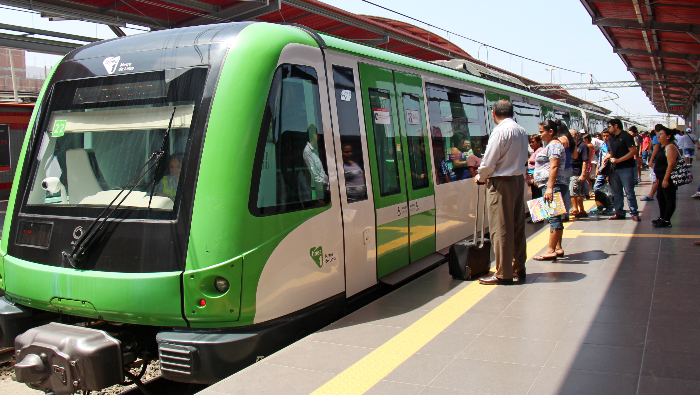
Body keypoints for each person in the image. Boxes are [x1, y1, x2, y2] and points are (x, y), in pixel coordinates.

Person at [475, 100, 529, 285]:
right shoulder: (521, 130)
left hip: (501, 183)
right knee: (517, 226)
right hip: (517, 181)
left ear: (493, 113)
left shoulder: (500, 131)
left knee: (500, 228)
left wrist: (480, 176)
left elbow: (489, 162)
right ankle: (519, 267)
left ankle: (503, 273)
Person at [533, 120, 567, 260]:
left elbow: (554, 166)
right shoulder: (553, 145)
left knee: (554, 217)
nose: (540, 135)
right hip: (551, 185)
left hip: (552, 185)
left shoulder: (554, 146)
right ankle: (558, 248)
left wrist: (549, 188)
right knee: (555, 216)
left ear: (551, 131)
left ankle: (551, 249)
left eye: (542, 132)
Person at [605, 119, 640, 221]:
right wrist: (605, 159)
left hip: (626, 168)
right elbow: (610, 153)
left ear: (616, 126)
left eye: (609, 126)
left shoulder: (626, 136)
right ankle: (619, 212)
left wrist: (619, 160)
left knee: (629, 191)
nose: (608, 129)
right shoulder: (611, 139)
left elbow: (633, 151)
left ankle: (634, 212)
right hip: (614, 169)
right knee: (616, 193)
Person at [652, 128, 680, 228]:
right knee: (660, 197)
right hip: (661, 177)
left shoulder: (671, 147)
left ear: (668, 136)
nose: (658, 136)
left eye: (661, 134)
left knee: (669, 198)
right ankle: (662, 217)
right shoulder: (663, 147)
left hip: (668, 178)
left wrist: (666, 179)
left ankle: (667, 220)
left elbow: (671, 164)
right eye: (658, 134)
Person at [557, 122, 576, 221]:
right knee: (566, 192)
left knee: (558, 192)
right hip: (569, 168)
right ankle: (566, 214)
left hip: (560, 169)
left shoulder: (560, 140)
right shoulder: (571, 140)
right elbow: (575, 156)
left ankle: (561, 214)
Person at [641, 125, 665, 201]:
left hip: (657, 161)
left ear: (655, 130)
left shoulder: (656, 137)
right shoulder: (669, 140)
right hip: (663, 160)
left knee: (655, 178)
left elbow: (656, 149)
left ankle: (651, 195)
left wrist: (651, 160)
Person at [569, 131, 590, 217]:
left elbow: (585, 161)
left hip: (577, 172)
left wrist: (583, 174)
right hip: (571, 171)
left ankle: (577, 210)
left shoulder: (583, 146)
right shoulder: (571, 145)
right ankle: (579, 210)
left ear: (577, 135)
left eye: (571, 135)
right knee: (575, 192)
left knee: (574, 193)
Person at [303, 124, 329, 190]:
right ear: (313, 135)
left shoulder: (315, 151)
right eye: (317, 134)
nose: (318, 136)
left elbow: (321, 172)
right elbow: (314, 175)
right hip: (319, 190)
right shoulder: (307, 152)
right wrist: (325, 185)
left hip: (326, 186)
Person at [527, 135, 544, 199]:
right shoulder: (535, 151)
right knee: (535, 194)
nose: (531, 144)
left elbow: (542, 162)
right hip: (533, 176)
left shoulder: (541, 150)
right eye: (530, 142)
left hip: (537, 177)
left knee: (538, 195)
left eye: (533, 142)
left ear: (539, 142)